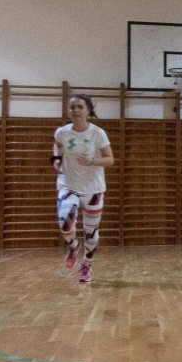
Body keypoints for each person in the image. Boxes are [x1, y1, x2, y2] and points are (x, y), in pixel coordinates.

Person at [52, 93, 114, 284]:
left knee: (91, 232)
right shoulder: (61, 132)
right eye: (72, 107)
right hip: (68, 184)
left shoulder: (98, 133)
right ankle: (72, 245)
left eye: (80, 107)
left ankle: (87, 264)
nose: (76, 110)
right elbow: (58, 147)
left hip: (93, 189)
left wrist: (92, 161)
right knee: (64, 222)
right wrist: (56, 160)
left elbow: (110, 159)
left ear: (88, 111)